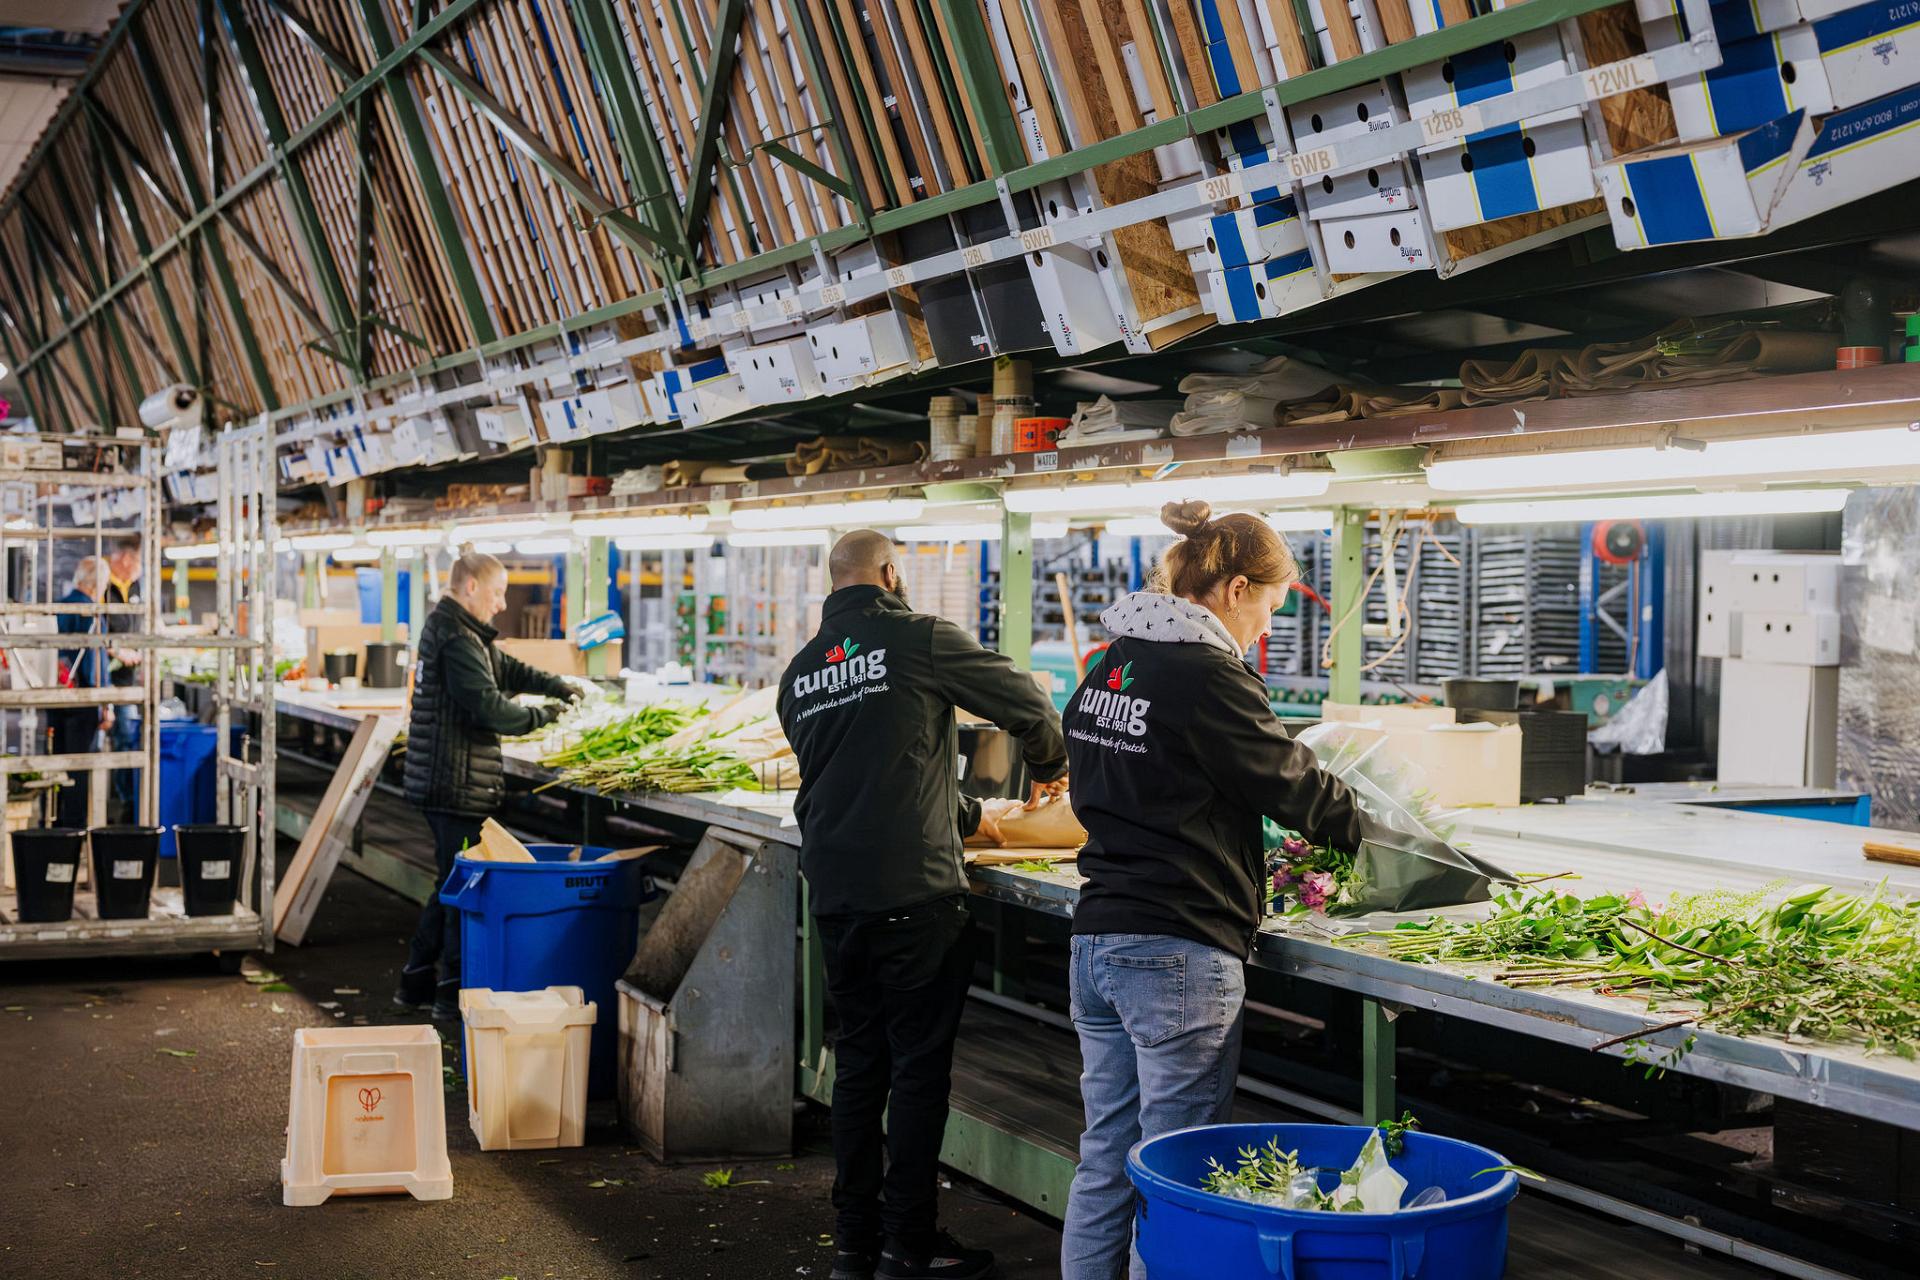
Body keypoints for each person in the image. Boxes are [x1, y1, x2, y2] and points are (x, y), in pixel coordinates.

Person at [1058, 502, 1366, 1280]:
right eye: (1268, 603)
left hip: (1098, 941)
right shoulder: (1205, 674)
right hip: (1175, 950)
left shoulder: (1112, 664)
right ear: (1233, 588)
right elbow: (1291, 785)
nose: (1266, 622)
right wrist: (1391, 833)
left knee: (1106, 1157)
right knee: (1175, 1176)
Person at [778, 530, 1068, 1280]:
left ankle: (853, 1245)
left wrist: (971, 814)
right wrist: (1054, 766)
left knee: (860, 1066)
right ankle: (908, 1244)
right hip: (913, 895)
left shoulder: (800, 674)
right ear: (890, 574)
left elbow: (871, 771)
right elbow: (1027, 701)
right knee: (915, 1072)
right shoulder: (919, 637)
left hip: (836, 895)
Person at [397, 550, 581, 1019]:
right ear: (472, 587)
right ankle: (449, 994)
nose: (502, 604)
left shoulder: (463, 632)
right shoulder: (456, 639)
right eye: (498, 593)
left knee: (452, 880)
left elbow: (508, 670)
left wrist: (558, 685)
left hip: (451, 781)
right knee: (463, 888)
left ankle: (418, 982)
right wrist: (545, 715)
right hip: (452, 784)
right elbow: (490, 707)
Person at [53, 557, 110, 830]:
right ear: (97, 583)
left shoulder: (59, 606)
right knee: (77, 771)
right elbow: (94, 663)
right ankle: (73, 833)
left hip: (55, 699)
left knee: (56, 768)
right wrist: (105, 704)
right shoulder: (90, 611)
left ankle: (53, 826)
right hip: (82, 701)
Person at [102, 536, 143, 818]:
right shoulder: (103, 584)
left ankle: (128, 800)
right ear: (127, 560)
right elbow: (94, 630)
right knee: (122, 737)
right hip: (104, 677)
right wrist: (116, 651)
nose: (141, 567)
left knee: (127, 737)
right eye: (139, 561)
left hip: (128, 678)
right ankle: (124, 801)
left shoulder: (134, 586)